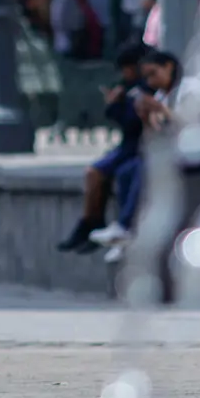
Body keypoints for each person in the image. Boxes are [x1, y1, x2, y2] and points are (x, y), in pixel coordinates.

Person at [88, 50, 200, 263]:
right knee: (126, 171)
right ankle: (126, 232)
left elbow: (189, 122)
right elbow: (156, 136)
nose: (151, 81)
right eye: (146, 77)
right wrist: (146, 118)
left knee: (147, 167)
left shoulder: (193, 89)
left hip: (198, 153)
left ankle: (125, 227)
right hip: (175, 153)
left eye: (153, 74)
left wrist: (162, 110)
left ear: (168, 67)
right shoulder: (161, 96)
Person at [57, 42, 148, 254]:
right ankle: (90, 222)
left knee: (121, 173)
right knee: (94, 173)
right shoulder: (127, 86)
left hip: (137, 146)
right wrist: (114, 103)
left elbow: (133, 122)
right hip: (128, 145)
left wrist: (117, 105)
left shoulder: (144, 89)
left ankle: (106, 225)